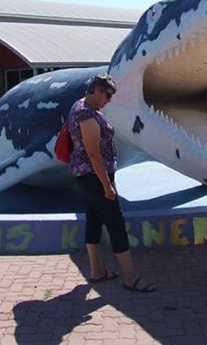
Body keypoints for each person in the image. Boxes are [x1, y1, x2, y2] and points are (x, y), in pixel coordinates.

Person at [68, 73, 156, 293]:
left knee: (94, 220)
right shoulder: (86, 114)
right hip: (94, 176)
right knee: (115, 223)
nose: (109, 99)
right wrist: (107, 185)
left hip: (87, 175)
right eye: (107, 95)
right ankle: (130, 277)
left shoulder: (80, 106)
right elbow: (93, 153)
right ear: (96, 90)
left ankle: (97, 271)